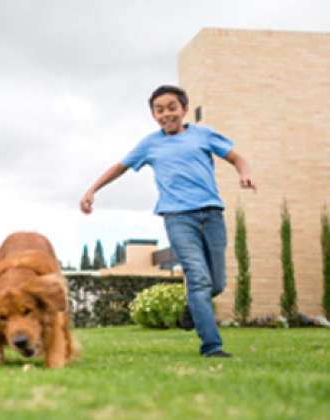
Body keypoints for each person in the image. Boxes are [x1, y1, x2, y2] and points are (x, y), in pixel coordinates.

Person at [80, 85, 256, 358]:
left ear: (184, 109)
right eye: (159, 110)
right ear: (154, 115)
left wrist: (244, 174)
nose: (166, 114)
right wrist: (92, 190)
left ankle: (192, 308)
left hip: (211, 214)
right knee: (198, 279)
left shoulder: (203, 135)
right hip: (177, 218)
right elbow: (120, 166)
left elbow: (237, 157)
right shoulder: (150, 144)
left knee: (216, 283)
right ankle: (212, 346)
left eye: (171, 107)